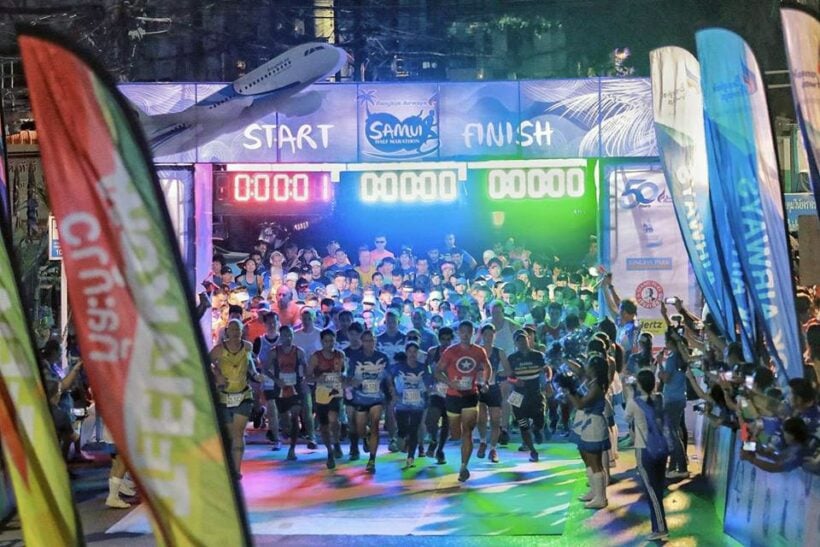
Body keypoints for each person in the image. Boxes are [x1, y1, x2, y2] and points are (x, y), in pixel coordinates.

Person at [436, 320, 491, 482]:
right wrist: (450, 383)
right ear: (459, 334)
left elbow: (487, 367)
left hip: (471, 395)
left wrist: (485, 381)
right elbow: (437, 371)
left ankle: (463, 466)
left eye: (469, 332)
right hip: (453, 396)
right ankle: (456, 447)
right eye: (463, 332)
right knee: (456, 433)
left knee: (467, 430)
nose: (466, 335)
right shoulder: (450, 351)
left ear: (473, 333)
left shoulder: (479, 351)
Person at [209, 318, 264, 477]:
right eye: (232, 329)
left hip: (243, 395)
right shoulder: (218, 349)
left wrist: (256, 376)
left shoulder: (248, 347)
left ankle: (236, 470)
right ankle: (226, 465)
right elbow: (205, 362)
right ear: (227, 331)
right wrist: (217, 375)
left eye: (238, 330)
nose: (235, 333)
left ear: (242, 332)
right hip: (224, 396)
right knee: (228, 434)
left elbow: (250, 366)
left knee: (238, 433)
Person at [626, 369, 670, 541]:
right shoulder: (660, 398)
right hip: (662, 448)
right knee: (657, 487)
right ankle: (657, 526)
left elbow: (627, 417)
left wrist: (629, 393)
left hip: (645, 450)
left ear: (639, 384)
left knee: (651, 490)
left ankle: (660, 527)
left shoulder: (634, 402)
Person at [565, 354, 611, 509]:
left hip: (594, 425)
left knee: (595, 462)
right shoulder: (591, 381)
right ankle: (594, 491)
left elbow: (580, 404)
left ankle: (601, 498)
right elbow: (578, 371)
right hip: (587, 423)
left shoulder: (597, 386)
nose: (585, 366)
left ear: (594, 369)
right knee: (587, 458)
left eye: (588, 364)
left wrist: (569, 391)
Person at [346, 329, 392, 472]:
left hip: (378, 397)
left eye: (371, 340)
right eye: (366, 340)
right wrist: (354, 383)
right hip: (360, 398)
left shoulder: (383, 357)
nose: (369, 343)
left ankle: (372, 460)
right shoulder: (355, 358)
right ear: (362, 342)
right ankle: (365, 438)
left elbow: (388, 378)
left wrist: (391, 392)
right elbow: (349, 378)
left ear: (375, 341)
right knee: (360, 429)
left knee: (375, 425)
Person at [267, 325, 307, 461]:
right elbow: (264, 369)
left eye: (290, 335)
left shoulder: (299, 352)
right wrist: (276, 380)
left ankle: (292, 449)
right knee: (285, 419)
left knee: (295, 416)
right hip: (281, 389)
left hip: (296, 388)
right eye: (285, 335)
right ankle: (286, 432)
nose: (288, 338)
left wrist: (304, 379)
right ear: (280, 336)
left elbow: (306, 368)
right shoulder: (274, 352)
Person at [307, 329, 346, 469]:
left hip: (335, 392)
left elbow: (344, 372)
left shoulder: (340, 355)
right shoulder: (315, 357)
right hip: (321, 393)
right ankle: (330, 450)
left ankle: (336, 442)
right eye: (326, 341)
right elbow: (308, 377)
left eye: (331, 341)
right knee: (324, 425)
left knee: (334, 419)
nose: (329, 344)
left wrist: (343, 378)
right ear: (322, 342)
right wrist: (319, 378)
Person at [507, 330, 547, 462]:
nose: (522, 343)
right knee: (522, 424)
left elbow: (545, 370)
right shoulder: (511, 358)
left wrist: (548, 383)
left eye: (524, 340)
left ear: (528, 340)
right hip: (517, 395)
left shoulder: (537, 355)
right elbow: (507, 377)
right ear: (515, 343)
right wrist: (515, 381)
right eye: (519, 341)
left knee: (540, 418)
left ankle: (537, 430)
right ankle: (532, 450)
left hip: (535, 392)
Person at [394, 342, 432, 469]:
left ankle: (411, 456)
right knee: (403, 428)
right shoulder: (398, 367)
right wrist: (393, 393)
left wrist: (428, 391)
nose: (412, 354)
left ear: (418, 353)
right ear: (406, 353)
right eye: (409, 351)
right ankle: (401, 437)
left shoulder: (423, 368)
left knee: (414, 428)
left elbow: (428, 383)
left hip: (417, 403)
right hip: (401, 404)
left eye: (414, 352)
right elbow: (388, 378)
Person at [659, 327, 689, 479]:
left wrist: (659, 365)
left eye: (666, 340)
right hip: (680, 398)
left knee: (673, 434)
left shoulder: (672, 359)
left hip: (671, 399)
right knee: (675, 432)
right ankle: (674, 466)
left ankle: (681, 466)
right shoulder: (681, 357)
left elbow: (666, 379)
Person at [476, 324, 510, 463]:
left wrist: (499, 375)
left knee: (496, 420)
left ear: (494, 336)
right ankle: (483, 441)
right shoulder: (477, 351)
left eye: (491, 335)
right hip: (478, 387)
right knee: (481, 418)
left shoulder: (499, 351)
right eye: (486, 335)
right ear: (482, 336)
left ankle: (493, 448)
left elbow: (508, 370)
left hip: (493, 387)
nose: (488, 338)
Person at [425, 327, 454, 465]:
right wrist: (428, 384)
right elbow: (426, 369)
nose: (446, 342)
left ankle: (440, 451)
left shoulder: (456, 352)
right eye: (443, 339)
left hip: (451, 392)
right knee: (431, 419)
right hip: (436, 391)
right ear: (439, 339)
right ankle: (433, 439)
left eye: (448, 339)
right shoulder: (432, 352)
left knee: (447, 423)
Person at [253, 311, 281, 447]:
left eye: (274, 322)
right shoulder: (259, 341)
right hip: (267, 379)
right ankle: (276, 438)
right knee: (272, 405)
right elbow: (253, 359)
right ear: (264, 324)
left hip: (283, 379)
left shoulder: (284, 339)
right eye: (269, 322)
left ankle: (274, 430)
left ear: (278, 322)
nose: (271, 324)